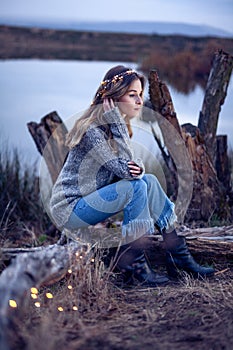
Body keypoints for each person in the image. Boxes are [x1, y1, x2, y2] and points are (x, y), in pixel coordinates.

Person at [49, 65, 214, 286]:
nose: (139, 101)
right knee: (135, 186)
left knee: (150, 181)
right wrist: (117, 124)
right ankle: (135, 269)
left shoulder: (116, 129)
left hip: (88, 203)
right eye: (132, 95)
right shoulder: (93, 131)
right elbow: (127, 171)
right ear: (114, 98)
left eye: (140, 95)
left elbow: (133, 168)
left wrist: (138, 167)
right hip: (70, 209)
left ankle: (178, 258)